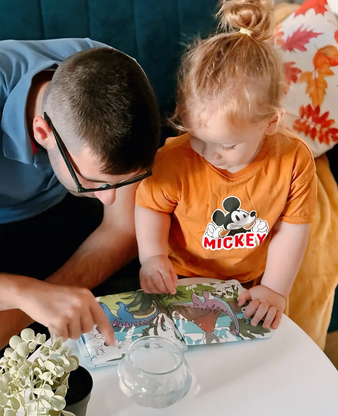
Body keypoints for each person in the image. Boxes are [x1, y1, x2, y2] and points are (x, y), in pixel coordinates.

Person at [0, 38, 160, 414]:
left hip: (61, 212)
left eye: (120, 182)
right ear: (42, 132)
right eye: (95, 182)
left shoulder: (123, 84)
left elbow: (121, 231)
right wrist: (21, 295)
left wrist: (24, 313)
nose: (110, 199)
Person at [135, 0, 317, 330]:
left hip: (250, 282)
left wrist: (274, 290)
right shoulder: (174, 160)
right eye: (197, 136)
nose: (208, 153)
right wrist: (152, 257)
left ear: (271, 123)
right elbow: (150, 206)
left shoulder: (294, 161)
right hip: (181, 278)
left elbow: (292, 230)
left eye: (227, 145)